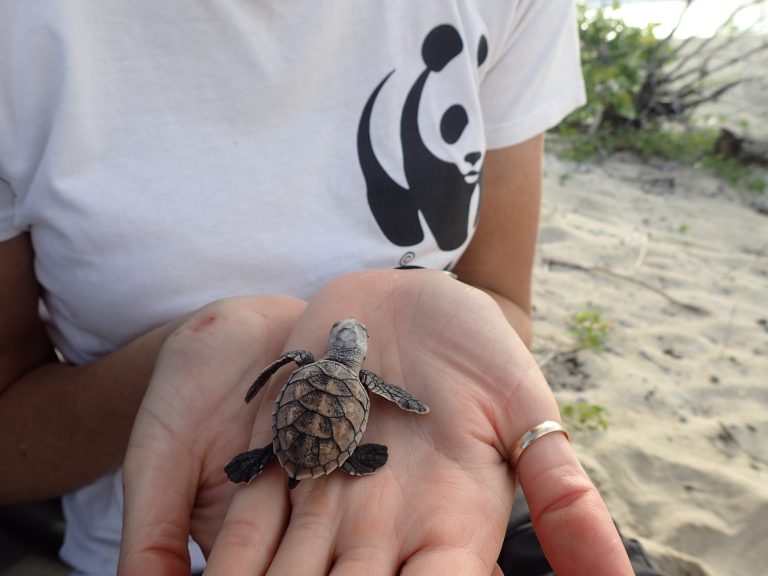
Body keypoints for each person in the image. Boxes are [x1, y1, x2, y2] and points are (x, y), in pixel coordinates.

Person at [0, 2, 638, 574]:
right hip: (171, 532)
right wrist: (192, 358)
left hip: (439, 495)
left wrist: (450, 361)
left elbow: (501, 297)